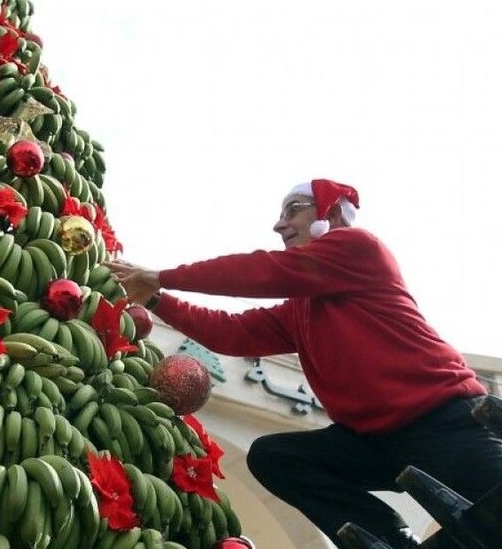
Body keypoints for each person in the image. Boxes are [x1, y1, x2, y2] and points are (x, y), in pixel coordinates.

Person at [108, 179, 502, 549]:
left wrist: (163, 277)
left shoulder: (358, 247)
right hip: (373, 443)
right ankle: (391, 540)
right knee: (276, 458)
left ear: (329, 214)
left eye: (293, 209)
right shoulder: (300, 310)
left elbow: (261, 272)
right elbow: (232, 333)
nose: (279, 224)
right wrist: (156, 298)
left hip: (444, 425)